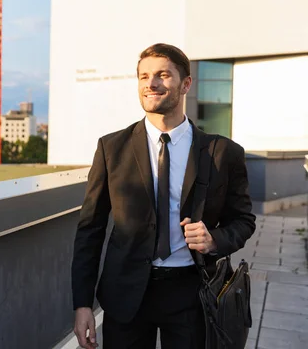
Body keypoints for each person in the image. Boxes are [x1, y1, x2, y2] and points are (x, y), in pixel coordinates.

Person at [71, 43, 256, 349]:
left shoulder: (223, 152)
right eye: (143, 77)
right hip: (125, 295)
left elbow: (244, 220)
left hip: (192, 293)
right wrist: (82, 305)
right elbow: (90, 229)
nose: (151, 84)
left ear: (186, 84)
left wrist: (214, 240)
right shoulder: (111, 148)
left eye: (162, 75)